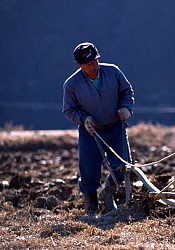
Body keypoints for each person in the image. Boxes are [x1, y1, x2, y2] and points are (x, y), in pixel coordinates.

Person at [62, 42, 134, 216]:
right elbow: (68, 110)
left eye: (95, 61)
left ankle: (108, 192)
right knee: (89, 171)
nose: (93, 65)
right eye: (88, 64)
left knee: (123, 166)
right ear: (79, 65)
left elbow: (127, 91)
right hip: (91, 133)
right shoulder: (71, 85)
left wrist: (126, 107)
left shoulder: (113, 72)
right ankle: (91, 209)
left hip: (116, 127)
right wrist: (84, 119)